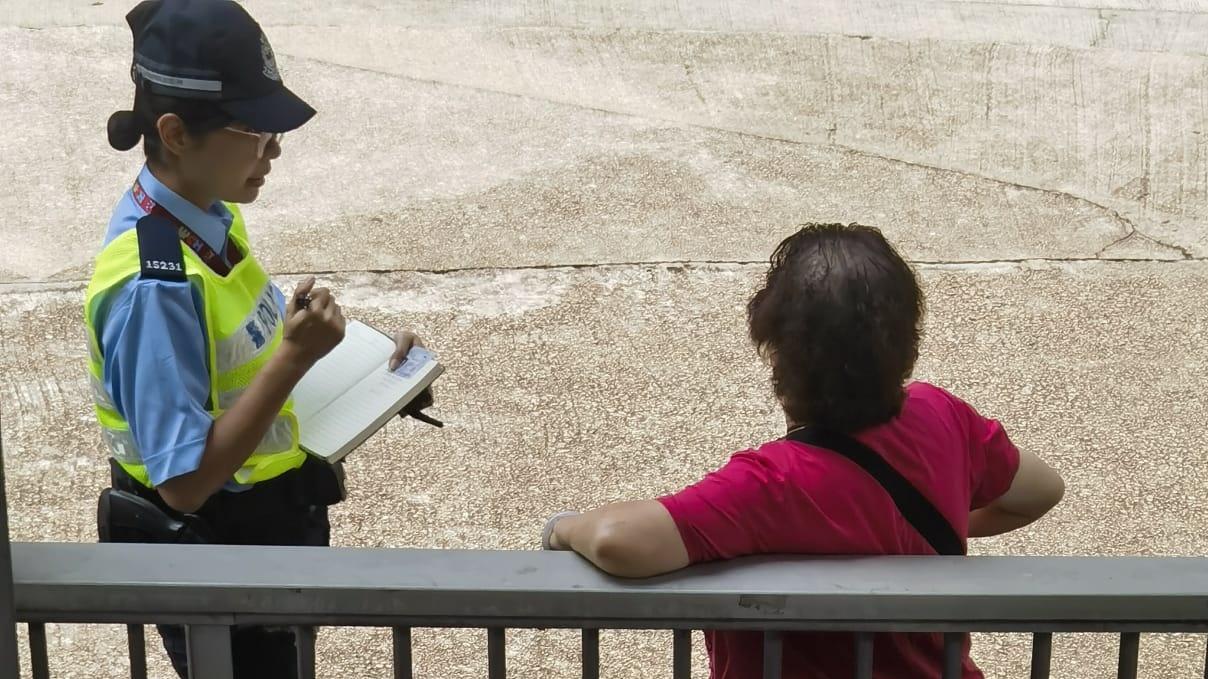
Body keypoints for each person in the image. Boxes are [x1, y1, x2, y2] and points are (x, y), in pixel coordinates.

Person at [541, 223, 1065, 678]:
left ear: (776, 348)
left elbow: (616, 541)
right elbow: (1040, 490)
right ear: (907, 340)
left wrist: (563, 528)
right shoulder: (942, 416)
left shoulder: (770, 484)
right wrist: (909, 531)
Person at [85, 1, 436, 676]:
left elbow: (246, 346)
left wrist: (367, 364)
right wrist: (295, 355)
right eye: (253, 130)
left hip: (257, 545)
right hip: (214, 570)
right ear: (176, 133)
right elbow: (183, 483)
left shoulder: (206, 213)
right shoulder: (153, 287)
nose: (273, 148)